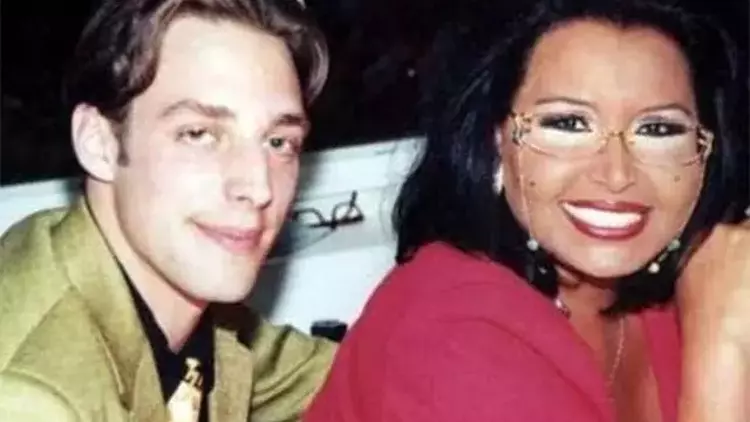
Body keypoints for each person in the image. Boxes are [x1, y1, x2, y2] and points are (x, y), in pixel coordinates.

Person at [304, 0, 749, 421]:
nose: (616, 175)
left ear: (705, 152)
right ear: (496, 140)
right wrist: (721, 350)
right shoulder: (448, 335)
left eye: (658, 129)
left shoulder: (689, 280)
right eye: (568, 124)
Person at [0, 0, 336, 420]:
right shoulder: (30, 398)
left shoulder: (179, 305)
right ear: (98, 142)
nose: (258, 186)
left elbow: (349, 373)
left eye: (278, 142)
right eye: (198, 134)